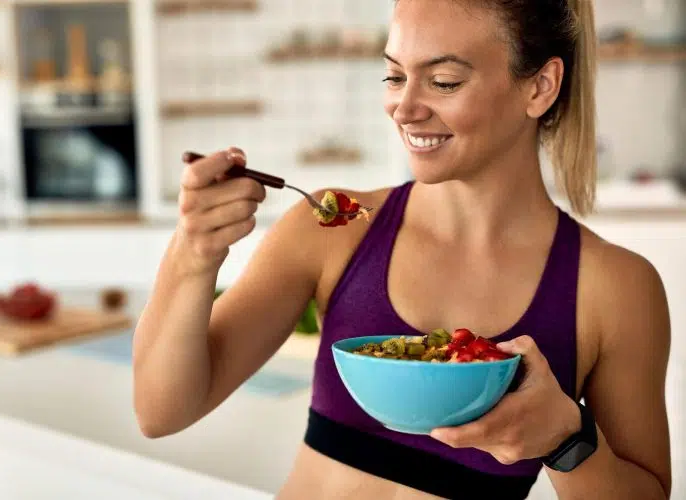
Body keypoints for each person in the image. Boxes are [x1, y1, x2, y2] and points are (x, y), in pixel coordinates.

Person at [132, 0, 672, 498]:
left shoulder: (615, 288)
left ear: (540, 87)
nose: (404, 107)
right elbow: (161, 411)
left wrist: (565, 439)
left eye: (443, 81)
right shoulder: (332, 227)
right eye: (394, 75)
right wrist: (193, 253)